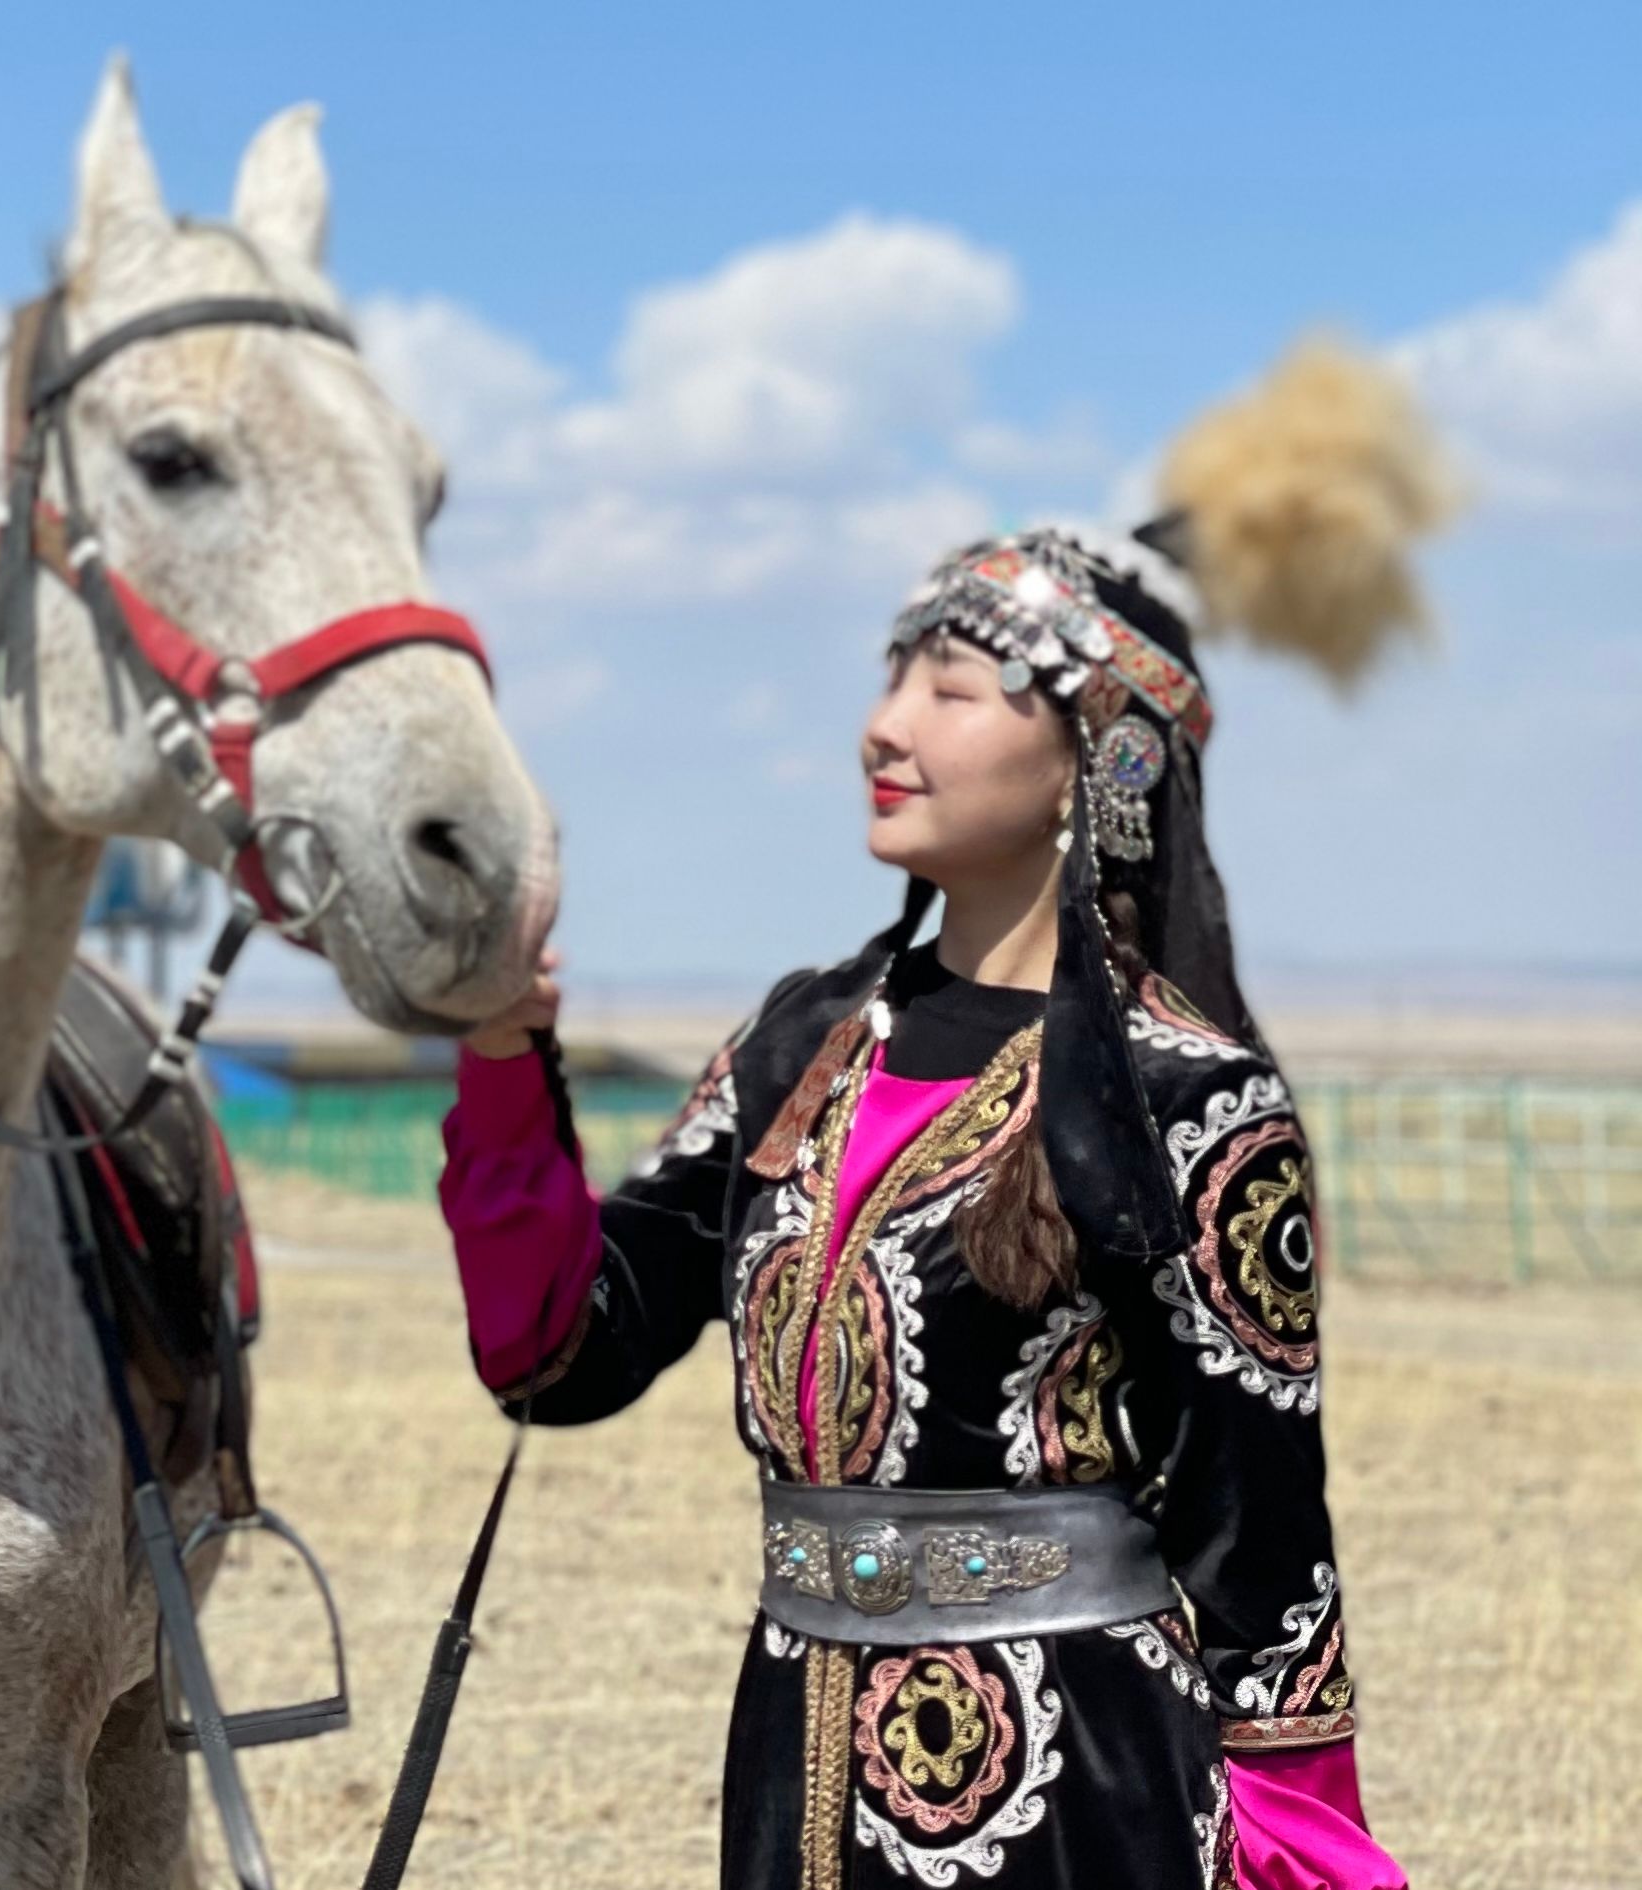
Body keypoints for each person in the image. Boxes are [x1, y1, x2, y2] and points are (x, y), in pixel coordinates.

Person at [441, 340, 1449, 1890]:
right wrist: (507, 1055)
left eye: (952, 684)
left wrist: (1302, 1838)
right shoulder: (804, 1040)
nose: (882, 723)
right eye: (893, 674)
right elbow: (563, 1348)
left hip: (1081, 1786)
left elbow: (1263, 1518)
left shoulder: (1192, 1094)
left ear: (1088, 763)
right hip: (796, 1758)